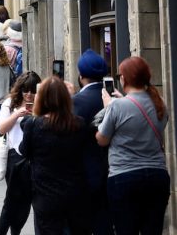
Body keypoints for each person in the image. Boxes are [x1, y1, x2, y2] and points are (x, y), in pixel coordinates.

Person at [96, 55, 170, 235]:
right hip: (157, 176)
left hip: (124, 177)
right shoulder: (160, 103)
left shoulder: (116, 106)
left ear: (124, 78)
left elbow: (102, 139)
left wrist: (108, 108)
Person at [17, 76, 93, 235]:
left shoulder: (34, 124)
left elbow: (24, 151)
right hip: (75, 194)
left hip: (46, 196)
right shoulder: (78, 124)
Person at [0, 72, 39, 235]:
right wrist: (17, 114)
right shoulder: (10, 103)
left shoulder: (41, 104)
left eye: (32, 91)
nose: (29, 95)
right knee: (11, 201)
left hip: (34, 158)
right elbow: (1, 128)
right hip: (15, 157)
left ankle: (16, 231)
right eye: (25, 90)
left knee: (27, 202)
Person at [71, 50, 111, 235]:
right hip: (112, 169)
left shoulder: (77, 102)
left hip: (84, 172)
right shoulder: (114, 99)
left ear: (81, 76)